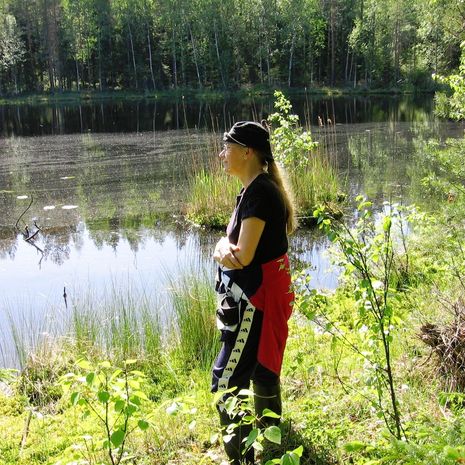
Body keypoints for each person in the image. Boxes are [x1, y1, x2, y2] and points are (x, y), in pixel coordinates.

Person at [211, 121, 296, 464]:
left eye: (227, 148)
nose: (222, 155)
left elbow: (242, 255)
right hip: (258, 296)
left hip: (256, 300)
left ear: (246, 152)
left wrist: (220, 248)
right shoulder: (253, 189)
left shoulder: (260, 193)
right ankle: (272, 442)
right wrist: (224, 246)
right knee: (262, 369)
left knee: (225, 382)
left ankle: (242, 458)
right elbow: (237, 245)